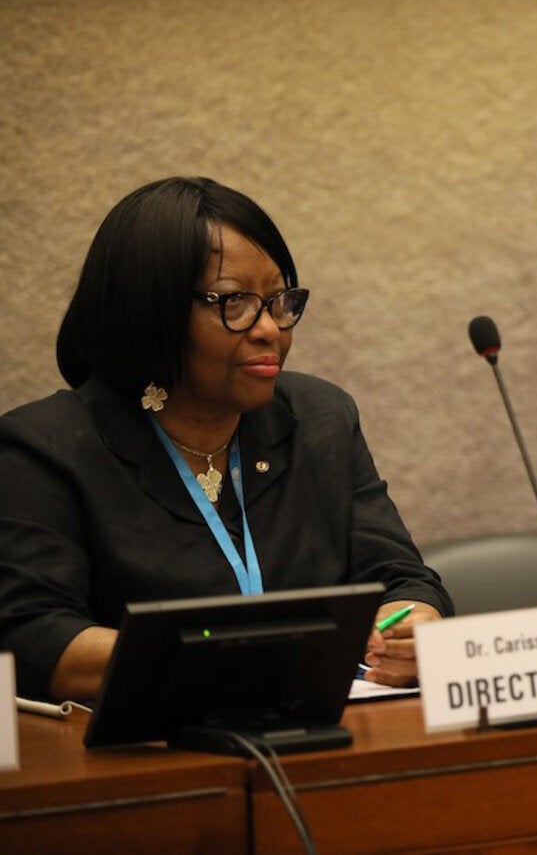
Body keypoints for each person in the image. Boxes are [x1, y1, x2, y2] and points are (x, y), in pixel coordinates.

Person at [0, 177, 452, 701]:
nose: (270, 329)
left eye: (280, 299)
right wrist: (241, 661)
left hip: (333, 733)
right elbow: (34, 638)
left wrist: (416, 625)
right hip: (146, 756)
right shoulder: (45, 448)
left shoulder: (319, 418)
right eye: (235, 302)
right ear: (151, 311)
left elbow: (402, 578)